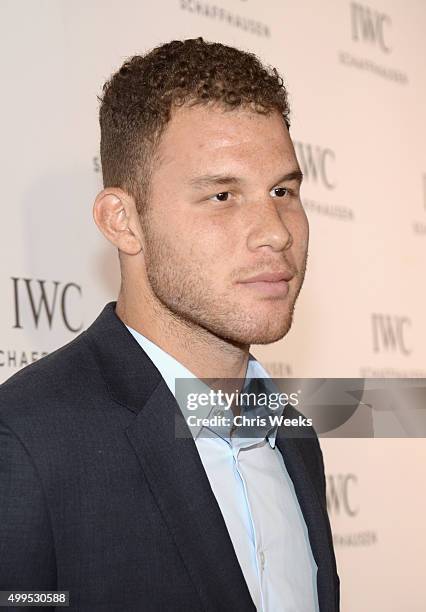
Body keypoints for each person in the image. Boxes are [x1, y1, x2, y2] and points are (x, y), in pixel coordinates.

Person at [0, 38, 339, 611]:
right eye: (222, 194)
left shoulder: (291, 430)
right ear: (123, 221)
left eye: (283, 190)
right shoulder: (28, 440)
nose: (276, 232)